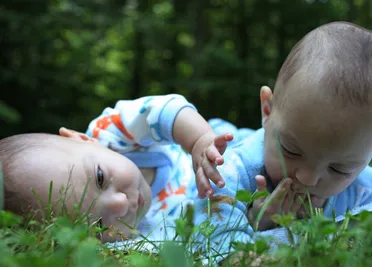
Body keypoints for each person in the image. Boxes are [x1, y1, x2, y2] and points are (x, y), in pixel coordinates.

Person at [191, 21, 372, 260]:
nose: (308, 178)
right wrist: (258, 223)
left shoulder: (363, 186)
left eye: (339, 168)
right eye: (291, 150)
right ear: (267, 110)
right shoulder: (228, 172)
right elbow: (210, 247)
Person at [0, 94, 251, 243]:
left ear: (81, 139)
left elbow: (162, 110)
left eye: (100, 179)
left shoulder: (111, 134)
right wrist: (252, 215)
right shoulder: (141, 235)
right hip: (231, 190)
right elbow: (213, 227)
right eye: (98, 224)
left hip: (224, 144)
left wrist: (198, 140)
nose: (120, 204)